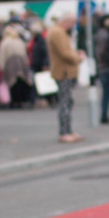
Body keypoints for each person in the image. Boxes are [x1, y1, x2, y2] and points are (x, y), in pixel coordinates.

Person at [46, 13, 84, 142]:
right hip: (63, 72)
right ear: (66, 21)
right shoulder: (58, 32)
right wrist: (78, 58)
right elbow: (64, 53)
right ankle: (64, 132)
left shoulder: (56, 31)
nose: (72, 26)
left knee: (67, 101)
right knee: (65, 101)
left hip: (63, 71)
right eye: (72, 22)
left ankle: (68, 130)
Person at [0, 24, 32, 110]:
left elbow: (2, 56)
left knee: (12, 84)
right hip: (20, 64)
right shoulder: (19, 41)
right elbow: (24, 54)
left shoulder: (4, 43)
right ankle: (21, 100)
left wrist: (1, 66)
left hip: (10, 65)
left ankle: (14, 101)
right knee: (21, 82)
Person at [93, 13, 109, 124]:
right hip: (105, 67)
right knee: (107, 92)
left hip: (103, 66)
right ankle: (104, 115)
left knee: (107, 92)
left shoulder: (101, 34)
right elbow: (102, 53)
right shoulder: (104, 35)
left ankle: (105, 114)